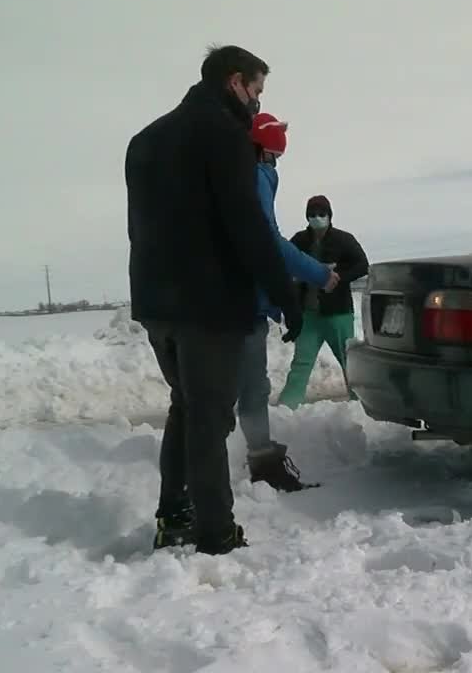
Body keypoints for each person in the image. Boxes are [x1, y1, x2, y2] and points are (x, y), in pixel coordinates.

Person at [125, 44, 302, 556]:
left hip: (158, 303)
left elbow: (143, 227)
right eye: (257, 90)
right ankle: (215, 532)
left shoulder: (145, 139)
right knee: (210, 418)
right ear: (235, 82)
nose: (257, 102)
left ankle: (174, 514)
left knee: (187, 407)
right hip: (208, 303)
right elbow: (246, 226)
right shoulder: (224, 135)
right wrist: (285, 294)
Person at [237, 112, 339, 492]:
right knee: (249, 387)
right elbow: (269, 242)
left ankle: (256, 456)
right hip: (240, 306)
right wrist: (318, 274)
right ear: (266, 151)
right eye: (275, 157)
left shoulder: (235, 172)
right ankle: (259, 463)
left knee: (245, 387)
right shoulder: (255, 174)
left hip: (236, 302)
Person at [277, 195, 369, 408]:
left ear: (329, 215)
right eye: (312, 214)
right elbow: (286, 265)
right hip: (309, 315)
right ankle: (285, 410)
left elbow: (362, 265)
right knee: (301, 364)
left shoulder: (344, 240)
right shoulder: (299, 240)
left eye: (321, 214)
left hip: (338, 314)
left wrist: (337, 276)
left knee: (349, 363)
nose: (316, 218)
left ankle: (363, 406)